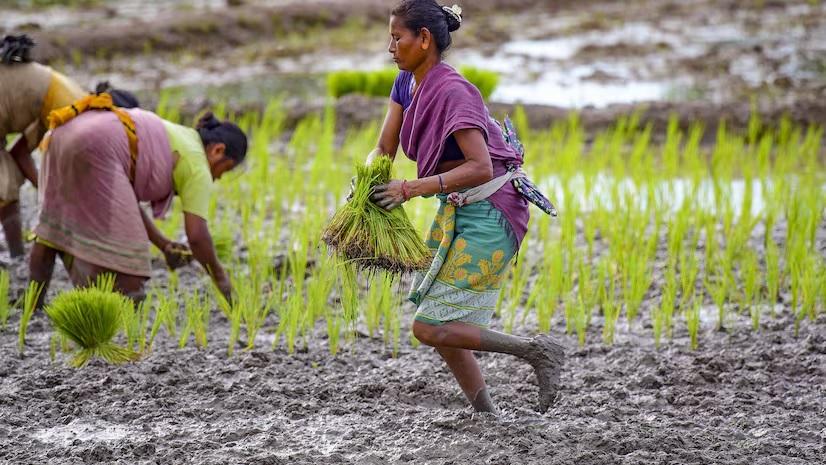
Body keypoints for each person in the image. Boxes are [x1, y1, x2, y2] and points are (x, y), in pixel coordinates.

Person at [369, 0, 564, 414]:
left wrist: (410, 189)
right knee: (440, 320)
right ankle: (488, 414)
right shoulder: (407, 83)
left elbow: (480, 166)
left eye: (396, 38)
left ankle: (536, 351)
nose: (390, 47)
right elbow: (384, 147)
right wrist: (365, 180)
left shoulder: (454, 90)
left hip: (492, 209)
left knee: (431, 326)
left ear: (423, 40)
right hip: (458, 205)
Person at [28, 91, 246, 305]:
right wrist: (222, 280)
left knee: (51, 225)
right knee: (130, 276)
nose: (217, 178)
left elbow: (127, 203)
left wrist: (163, 245)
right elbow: (197, 236)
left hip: (64, 132)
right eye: (224, 171)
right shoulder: (198, 165)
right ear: (218, 150)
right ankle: (94, 307)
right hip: (98, 146)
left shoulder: (180, 137)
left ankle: (32, 307)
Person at [0, 35, 140, 258]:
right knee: (4, 186)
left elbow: (20, 153)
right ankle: (18, 258)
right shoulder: (80, 115)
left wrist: (45, 192)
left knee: (7, 183)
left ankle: (18, 258)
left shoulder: (64, 107)